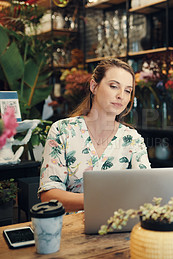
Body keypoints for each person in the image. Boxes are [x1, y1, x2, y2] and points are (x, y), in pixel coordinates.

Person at [39, 58, 150, 212]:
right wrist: (100, 200)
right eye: (113, 86)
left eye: (127, 90)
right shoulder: (62, 131)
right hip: (70, 229)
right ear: (94, 86)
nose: (121, 96)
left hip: (116, 227)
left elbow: (146, 189)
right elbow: (48, 195)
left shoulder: (132, 139)